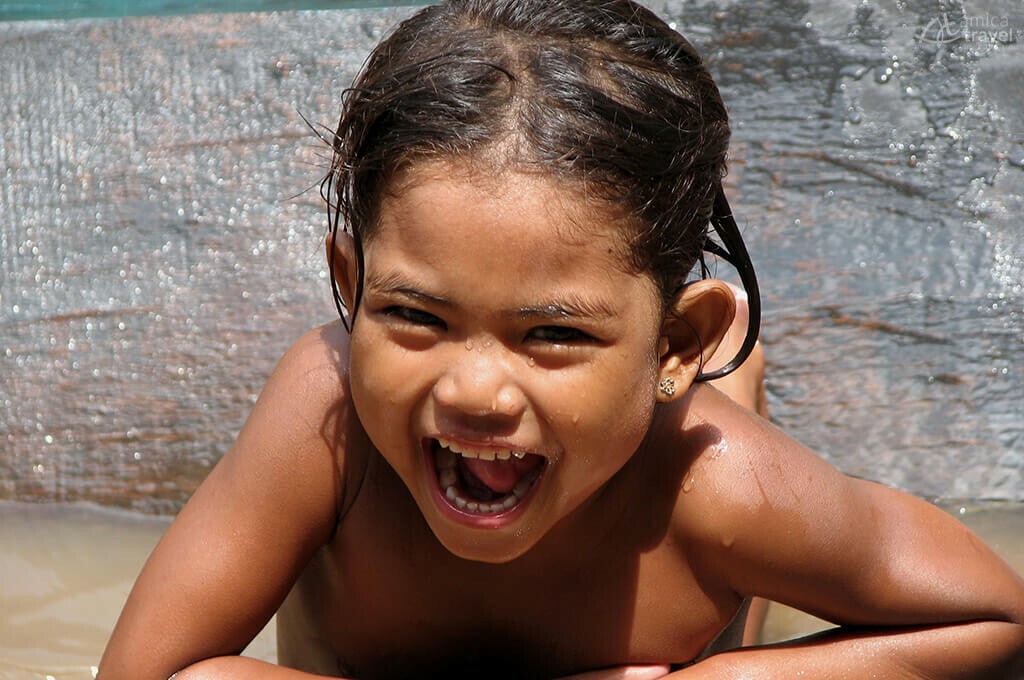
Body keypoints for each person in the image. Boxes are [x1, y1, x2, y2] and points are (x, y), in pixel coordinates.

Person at [99, 1, 1024, 677]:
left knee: (726, 450)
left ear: (676, 342)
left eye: (550, 334)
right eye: (415, 316)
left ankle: (728, 385)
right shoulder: (326, 419)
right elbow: (148, 675)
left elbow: (996, 617)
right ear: (351, 289)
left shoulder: (718, 486)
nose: (473, 390)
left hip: (681, 444)